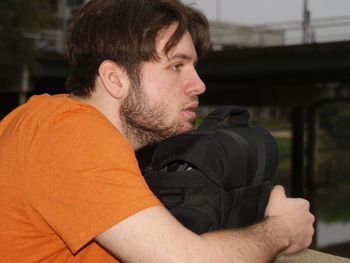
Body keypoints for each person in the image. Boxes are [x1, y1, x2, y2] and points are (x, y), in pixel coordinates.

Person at [0, 0, 314, 262]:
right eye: (177, 65)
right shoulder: (70, 133)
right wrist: (279, 230)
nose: (199, 85)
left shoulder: (40, 118)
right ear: (115, 78)